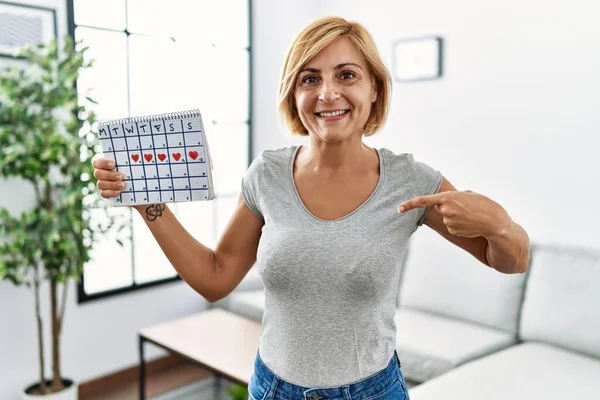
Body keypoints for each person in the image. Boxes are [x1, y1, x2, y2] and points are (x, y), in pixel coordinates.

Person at [93, 16, 530, 400]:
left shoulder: (411, 181)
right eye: (309, 79)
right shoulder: (267, 174)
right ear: (294, 93)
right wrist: (149, 205)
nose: (327, 93)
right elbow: (214, 277)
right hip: (273, 390)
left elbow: (511, 261)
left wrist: (501, 226)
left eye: (346, 75)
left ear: (374, 88)